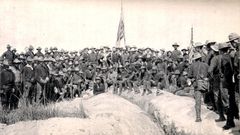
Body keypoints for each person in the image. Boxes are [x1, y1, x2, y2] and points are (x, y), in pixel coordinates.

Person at [218, 43, 239, 130]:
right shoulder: (232, 55)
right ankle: (233, 119)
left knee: (228, 102)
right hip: (234, 81)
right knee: (233, 100)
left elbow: (223, 70)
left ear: (221, 50)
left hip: (227, 82)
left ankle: (230, 122)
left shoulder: (223, 58)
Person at [188, 52, 209, 122]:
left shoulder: (192, 66)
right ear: (200, 58)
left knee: (198, 101)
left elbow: (189, 76)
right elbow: (209, 74)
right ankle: (221, 115)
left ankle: (198, 117)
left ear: (195, 59)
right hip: (206, 84)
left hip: (197, 84)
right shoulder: (206, 65)